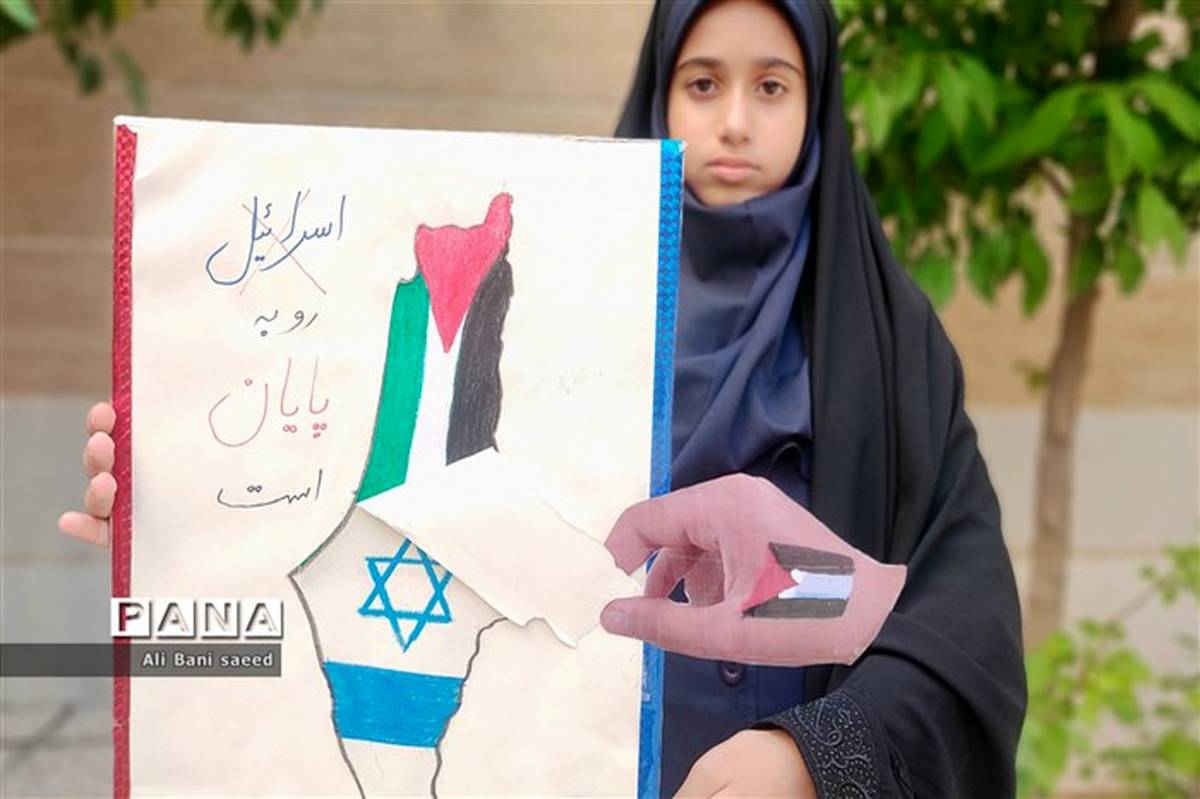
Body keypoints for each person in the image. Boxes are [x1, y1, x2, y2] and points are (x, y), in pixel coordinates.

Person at [62, 0, 1027, 795]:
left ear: (819, 107)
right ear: (659, 94)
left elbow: (958, 616)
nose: (735, 120)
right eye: (703, 83)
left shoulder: (891, 346)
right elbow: (414, 516)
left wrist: (817, 755)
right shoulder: (549, 301)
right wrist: (200, 519)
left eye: (772, 86)